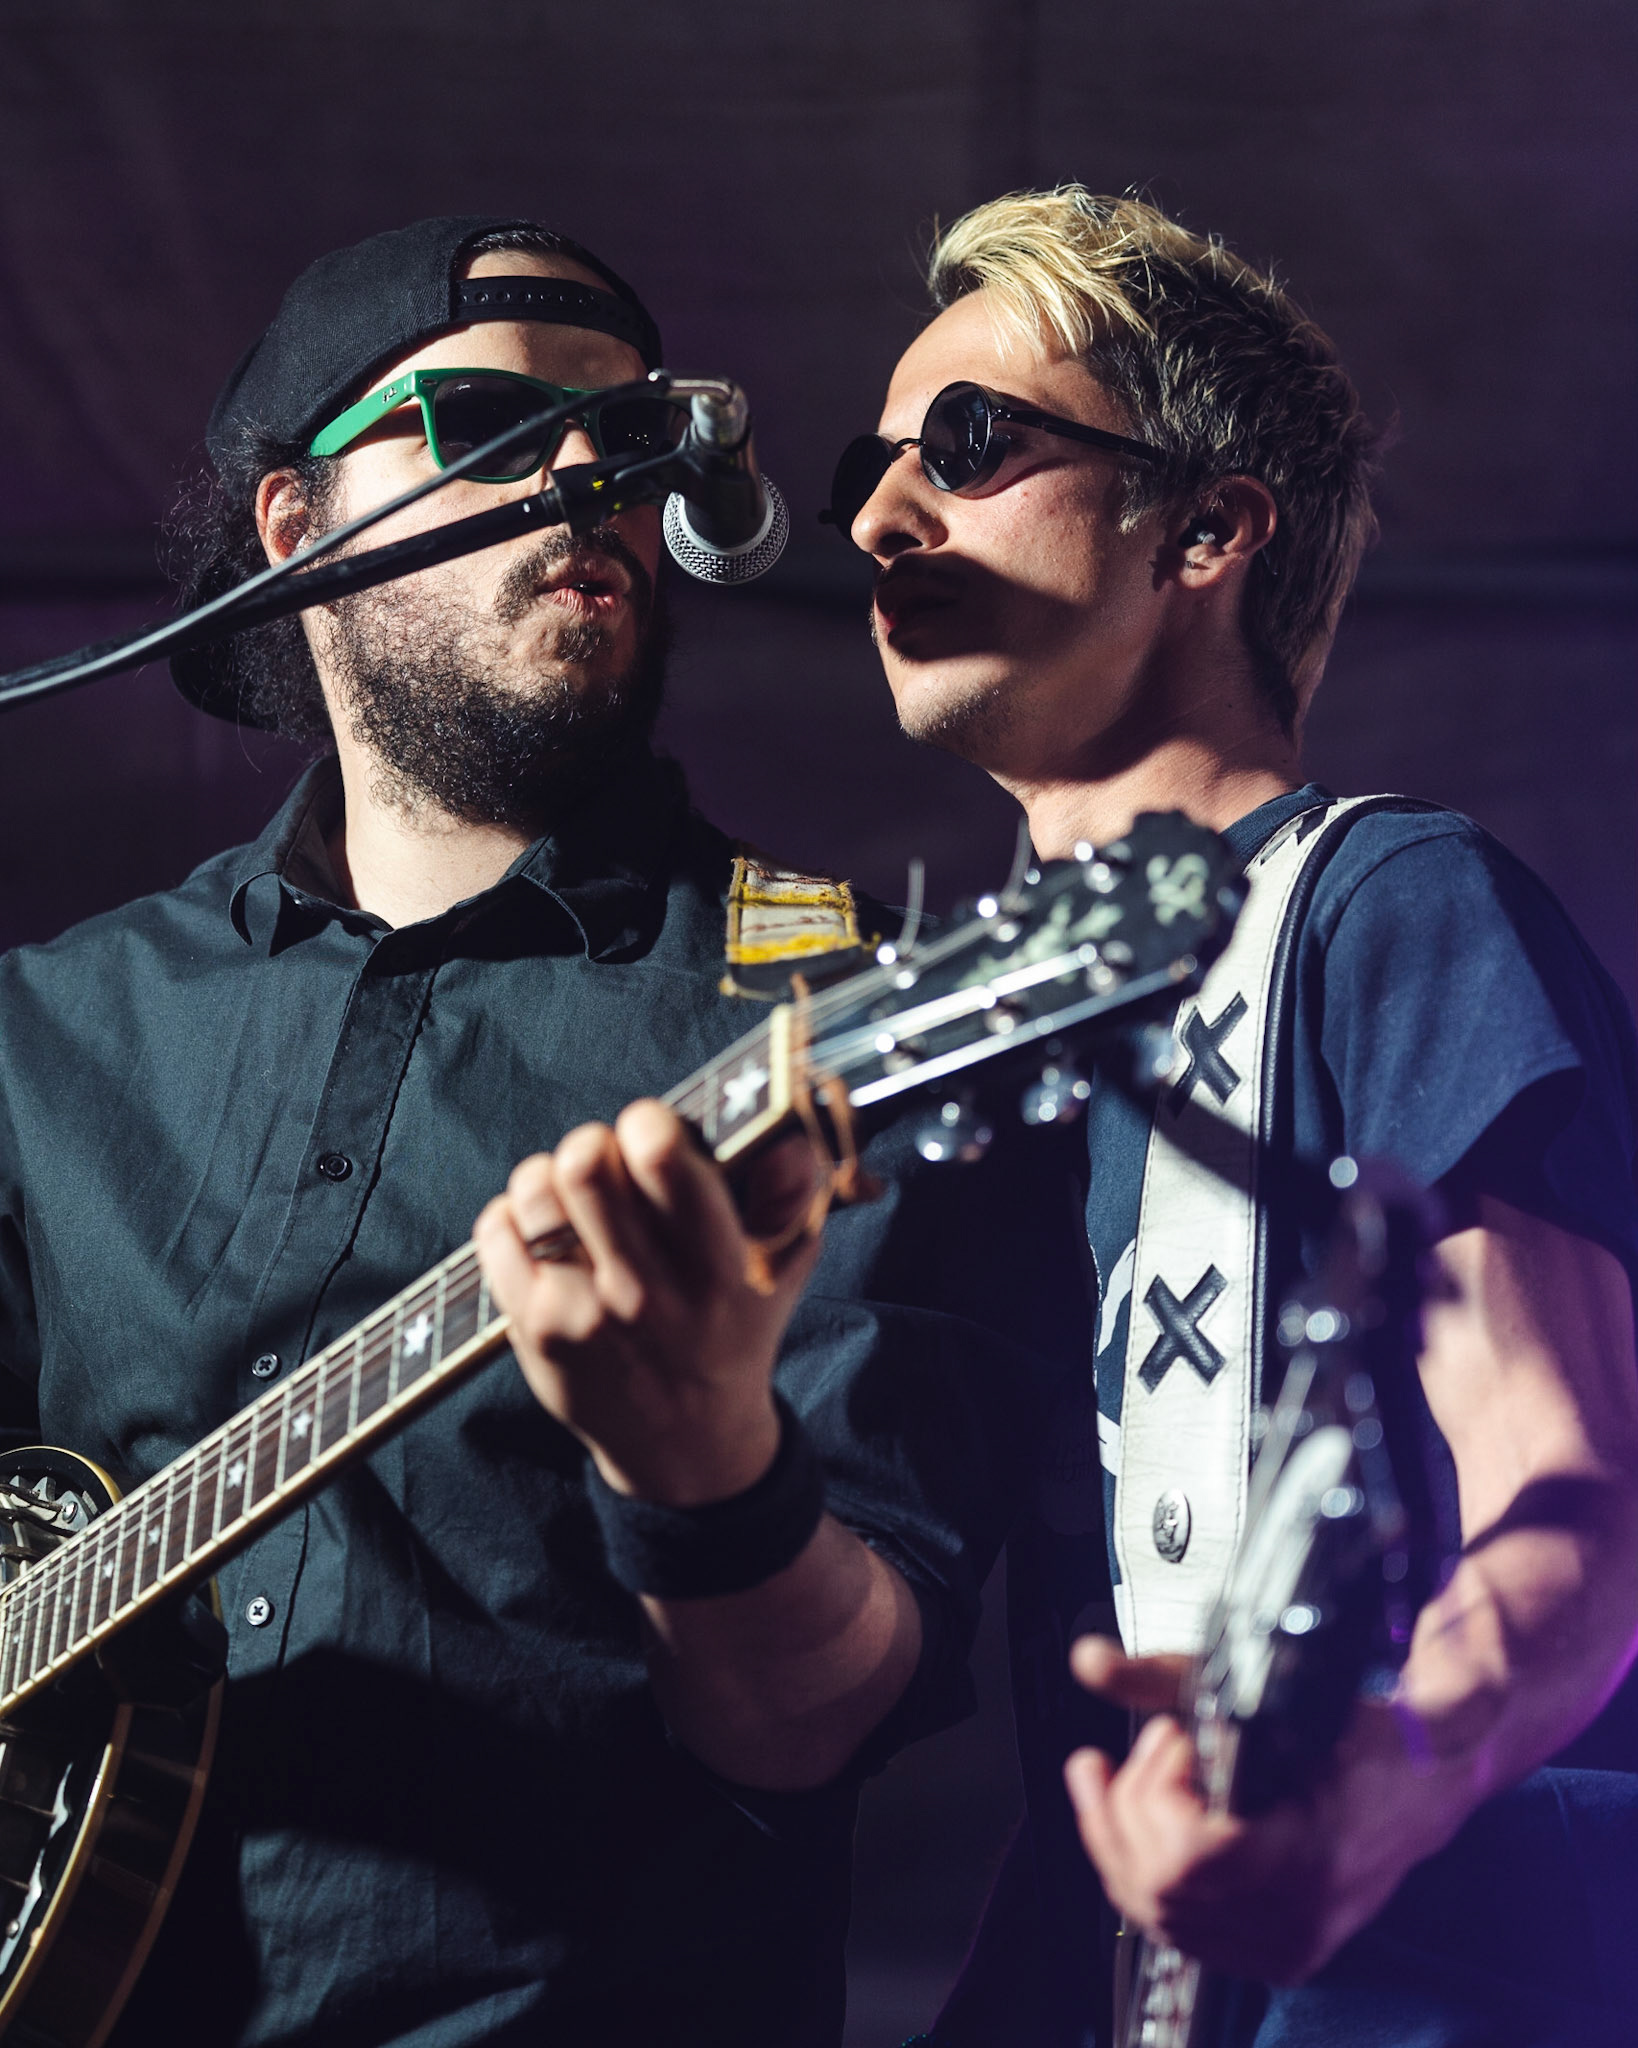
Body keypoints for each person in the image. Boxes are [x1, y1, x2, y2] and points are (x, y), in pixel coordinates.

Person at [0, 215, 1092, 2046]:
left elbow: (822, 1714)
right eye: (491, 423)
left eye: (627, 434)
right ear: (295, 526)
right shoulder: (48, 1032)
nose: (584, 471)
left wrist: (700, 1466)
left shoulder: (823, 1017)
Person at [820, 187, 1638, 2044]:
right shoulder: (982, 1053)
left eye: (968, 442)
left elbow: (1576, 1495)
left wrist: (1392, 1776)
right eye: (871, 468)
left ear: (1204, 528)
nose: (878, 517)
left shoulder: (1388, 904)